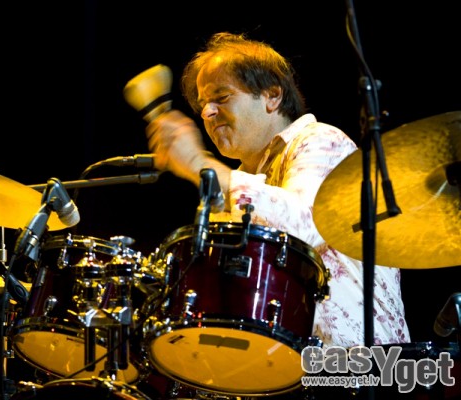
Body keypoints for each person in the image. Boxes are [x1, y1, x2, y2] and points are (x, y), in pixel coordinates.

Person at [143, 31, 410, 349]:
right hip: (282, 362)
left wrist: (199, 163)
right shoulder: (232, 185)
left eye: (221, 97)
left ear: (272, 96)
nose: (206, 113)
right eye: (202, 105)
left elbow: (304, 227)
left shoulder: (322, 141)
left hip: (360, 361)